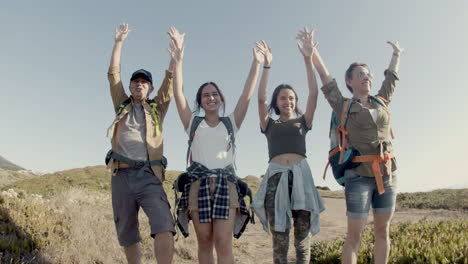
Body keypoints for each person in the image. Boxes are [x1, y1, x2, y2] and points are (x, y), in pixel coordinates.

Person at [305, 26, 403, 264]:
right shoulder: (344, 105)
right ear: (350, 81)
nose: (367, 77)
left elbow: (390, 80)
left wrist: (396, 54)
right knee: (354, 236)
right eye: (361, 74)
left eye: (368, 74)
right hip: (358, 176)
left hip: (387, 174)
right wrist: (313, 53)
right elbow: (327, 82)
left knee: (383, 231)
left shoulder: (381, 101)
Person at [168, 26, 261, 264]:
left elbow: (246, 96)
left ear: (220, 98)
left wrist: (257, 64)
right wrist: (177, 59)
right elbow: (178, 92)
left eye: (214, 94)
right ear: (200, 101)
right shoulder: (193, 123)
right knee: (205, 241)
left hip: (225, 183)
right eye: (205, 95)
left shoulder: (230, 122)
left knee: (223, 241)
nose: (211, 97)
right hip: (197, 183)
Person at [251, 33, 325, 264]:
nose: (288, 102)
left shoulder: (303, 121)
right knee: (280, 241)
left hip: (301, 177)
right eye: (283, 98)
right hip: (276, 179)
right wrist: (267, 66)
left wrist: (308, 58)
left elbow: (314, 93)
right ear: (277, 102)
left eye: (291, 98)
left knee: (302, 241)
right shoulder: (269, 123)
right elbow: (261, 99)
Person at [106, 23, 175, 264]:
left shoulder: (157, 109)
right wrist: (119, 43)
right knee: (127, 232)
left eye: (144, 82)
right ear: (131, 86)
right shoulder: (121, 104)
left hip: (148, 175)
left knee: (164, 224)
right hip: (121, 176)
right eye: (135, 81)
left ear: (150, 88)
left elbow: (170, 84)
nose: (139, 84)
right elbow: (113, 74)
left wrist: (175, 56)